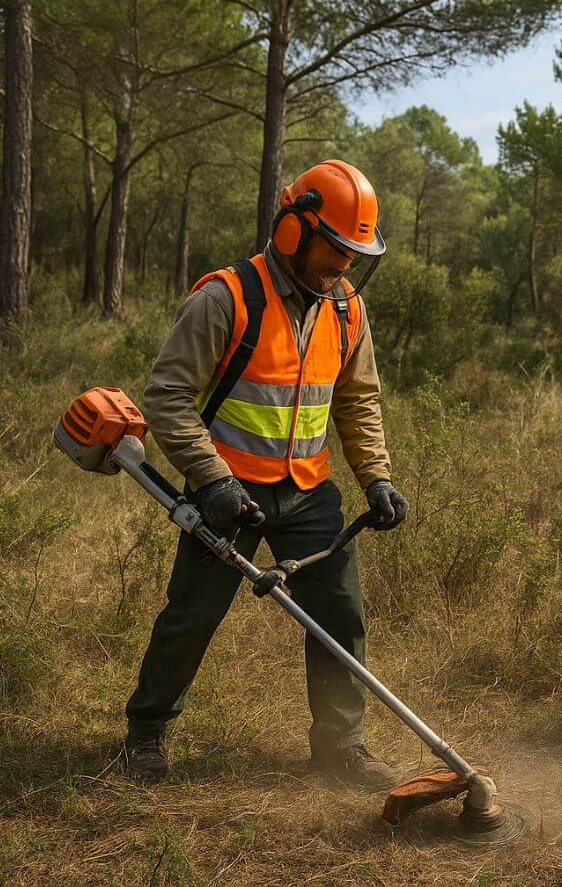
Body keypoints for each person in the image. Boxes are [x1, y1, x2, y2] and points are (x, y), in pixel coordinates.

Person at [122, 160, 409, 791]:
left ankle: (340, 748)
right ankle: (144, 733)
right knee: (192, 614)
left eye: (354, 254)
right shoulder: (227, 297)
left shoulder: (344, 312)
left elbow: (357, 401)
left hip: (310, 492)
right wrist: (213, 479)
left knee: (339, 614)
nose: (344, 266)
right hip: (228, 490)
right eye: (335, 249)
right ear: (291, 232)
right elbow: (168, 396)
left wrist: (377, 478)